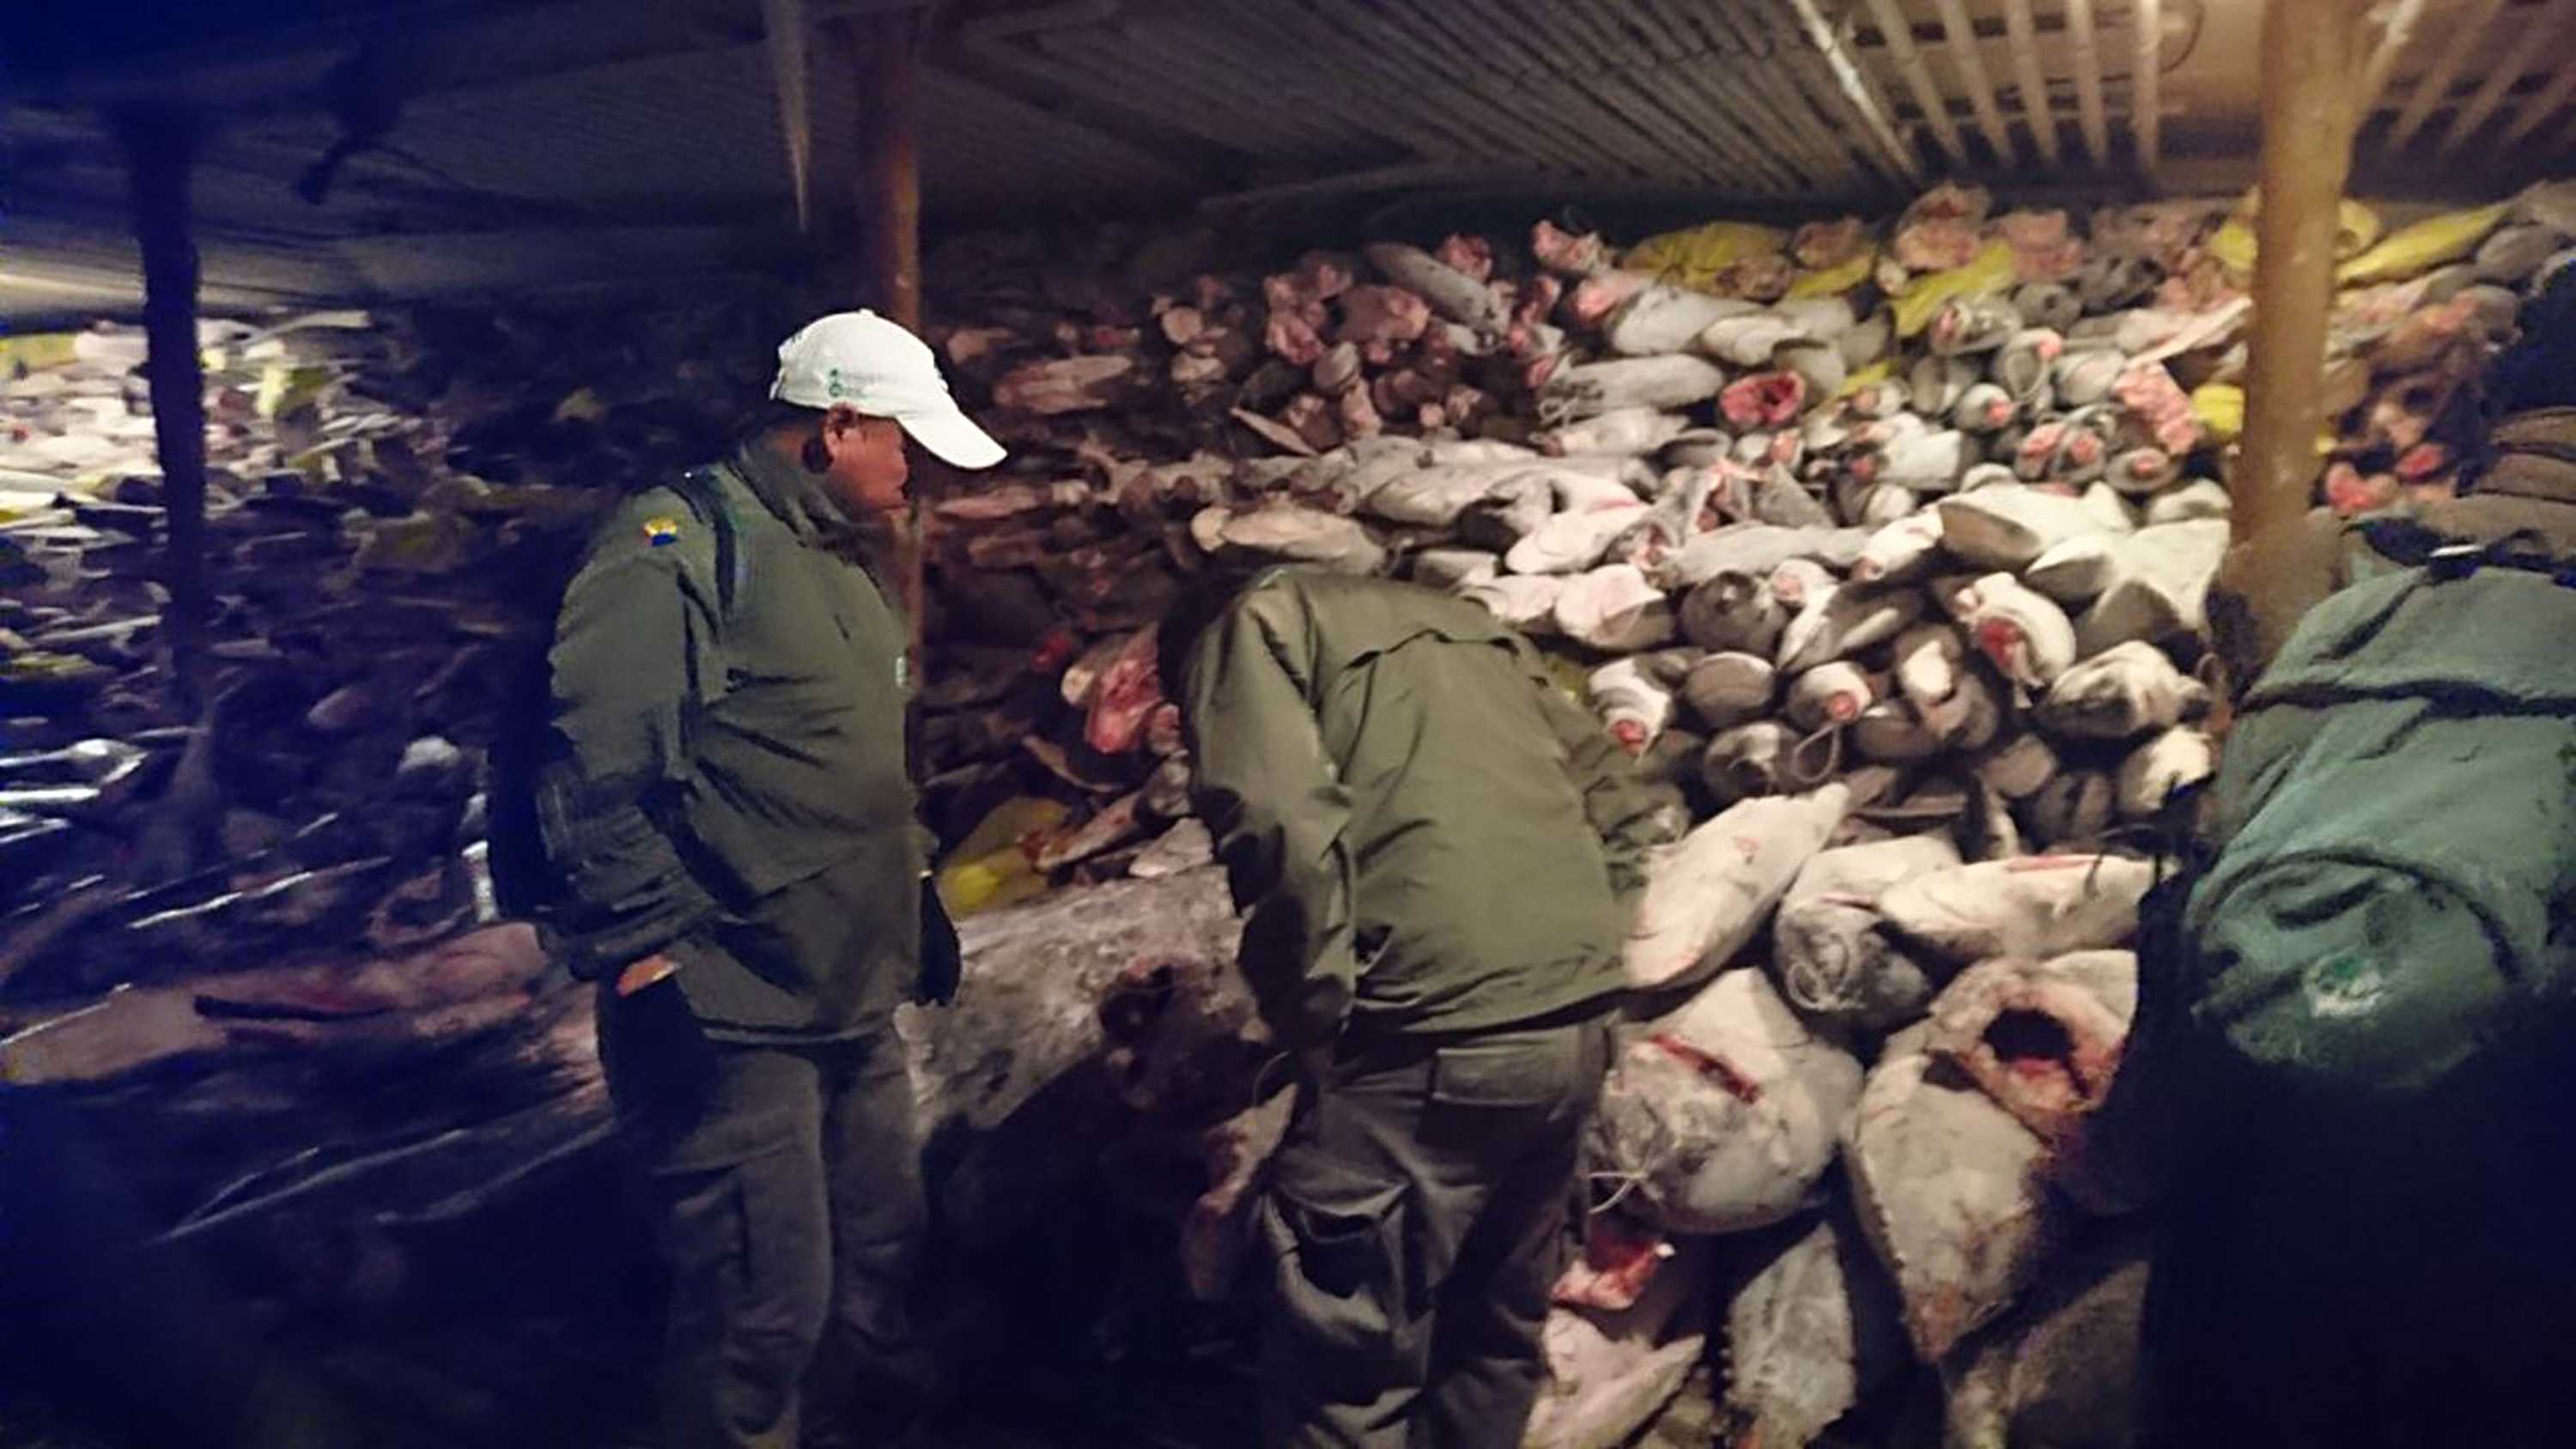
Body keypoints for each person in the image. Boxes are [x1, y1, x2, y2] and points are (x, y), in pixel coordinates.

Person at [527, 311, 1000, 1448]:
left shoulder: (836, 562)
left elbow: (839, 757)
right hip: (734, 1009)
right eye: (906, 444)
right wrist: (648, 966)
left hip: (845, 989)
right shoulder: (672, 551)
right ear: (837, 426)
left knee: (879, 1259)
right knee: (761, 1307)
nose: (918, 471)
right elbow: (595, 775)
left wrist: (913, 891)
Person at [1157, 567, 1674, 1448]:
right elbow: (1623, 801)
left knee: (1347, 1361)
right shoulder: (1472, 628)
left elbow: (1281, 828)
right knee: (1494, 1333)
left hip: (1426, 1040)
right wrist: (1584, 950)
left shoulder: (1252, 625)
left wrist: (1316, 1014)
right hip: (1573, 1025)